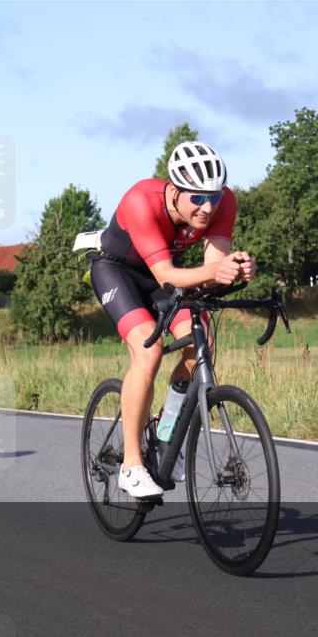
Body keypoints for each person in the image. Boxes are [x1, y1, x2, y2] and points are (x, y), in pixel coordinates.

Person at [90, 141, 256, 497]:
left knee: (202, 347)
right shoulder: (141, 200)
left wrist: (236, 270)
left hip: (165, 277)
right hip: (119, 272)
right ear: (175, 190)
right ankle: (131, 464)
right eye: (196, 198)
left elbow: (212, 269)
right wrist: (214, 271)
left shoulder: (224, 202)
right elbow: (166, 273)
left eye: (212, 197)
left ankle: (166, 435)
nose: (207, 207)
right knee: (149, 350)